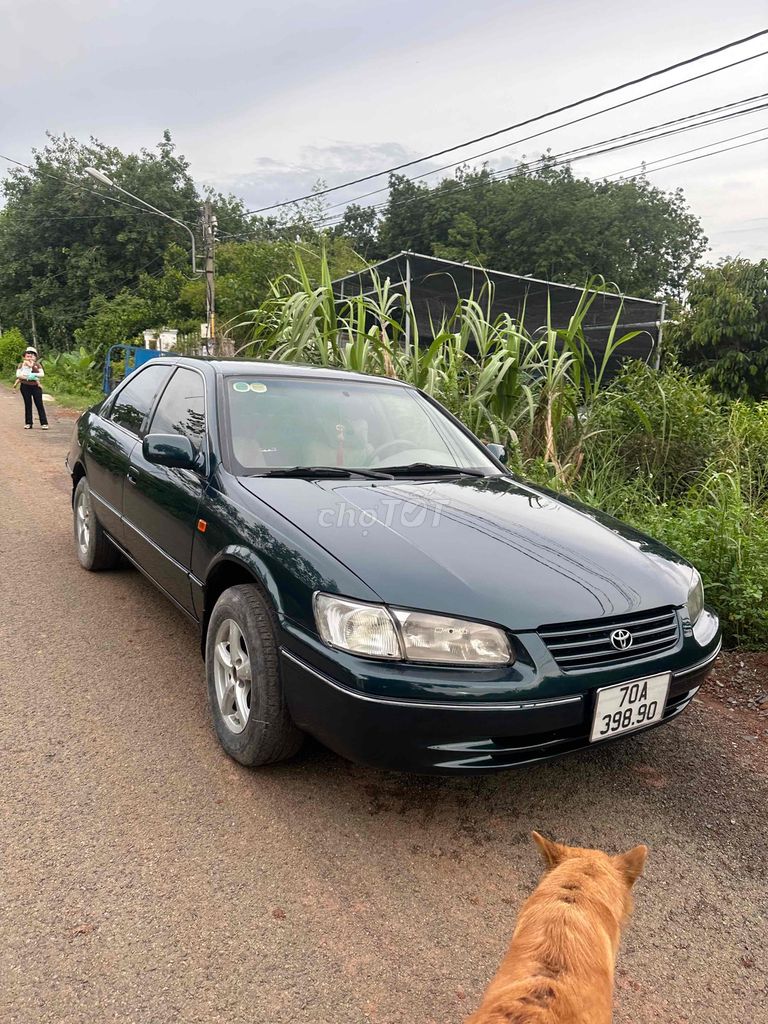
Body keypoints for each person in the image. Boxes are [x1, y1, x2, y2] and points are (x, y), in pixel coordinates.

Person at [15, 346, 49, 429]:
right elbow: (18, 375)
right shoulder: (21, 365)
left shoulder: (37, 365)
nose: (30, 357)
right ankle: (28, 423)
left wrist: (31, 375)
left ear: (35, 356)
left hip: (36, 387)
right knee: (28, 404)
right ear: (25, 356)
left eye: (32, 355)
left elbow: (42, 374)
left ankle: (44, 423)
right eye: (28, 355)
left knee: (39, 404)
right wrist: (30, 377)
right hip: (25, 386)